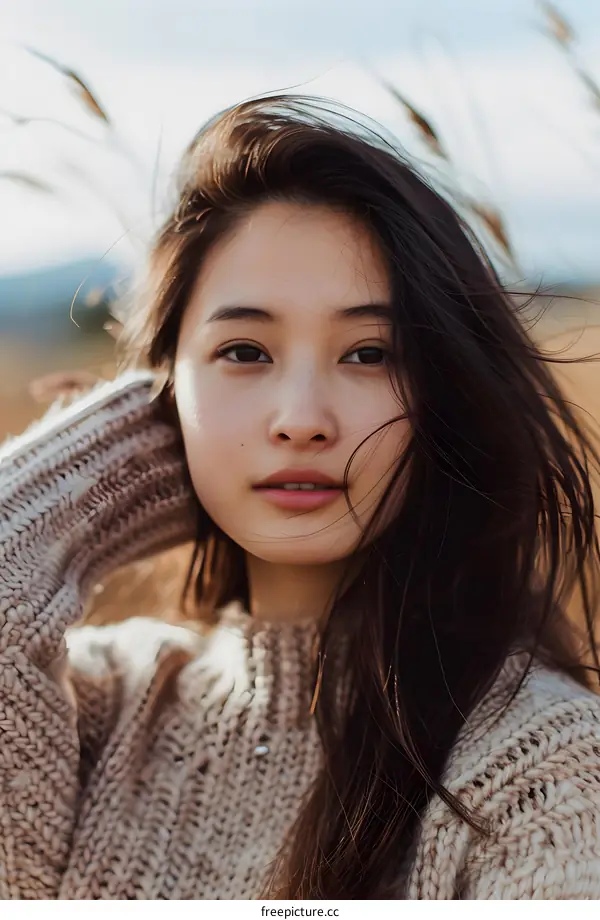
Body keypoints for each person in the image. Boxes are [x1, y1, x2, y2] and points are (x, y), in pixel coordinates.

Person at [1, 92, 600, 902]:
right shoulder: (88, 709)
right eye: (245, 351)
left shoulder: (543, 768)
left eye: (369, 354)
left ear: (449, 393)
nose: (302, 421)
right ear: (162, 392)